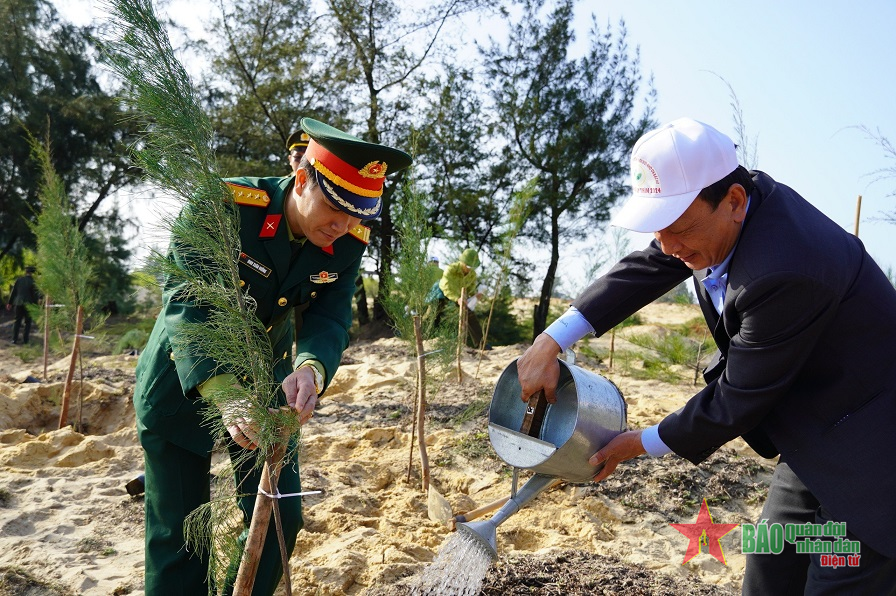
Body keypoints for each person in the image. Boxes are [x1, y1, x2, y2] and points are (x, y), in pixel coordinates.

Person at [516, 118, 896, 594]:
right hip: (813, 438)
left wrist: (641, 442)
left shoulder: (786, 267)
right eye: (658, 232)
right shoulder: (714, 218)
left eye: (678, 230)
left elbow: (737, 398)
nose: (669, 247)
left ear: (734, 202)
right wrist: (550, 341)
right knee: (769, 572)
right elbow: (648, 266)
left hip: (877, 458)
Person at [134, 117, 411, 595]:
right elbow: (188, 304)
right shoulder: (223, 207)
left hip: (267, 377)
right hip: (186, 376)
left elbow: (329, 318)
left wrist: (311, 368)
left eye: (357, 214)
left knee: (280, 514)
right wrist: (225, 395)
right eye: (334, 208)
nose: (342, 226)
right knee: (180, 537)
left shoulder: (346, 241)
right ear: (302, 178)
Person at [428, 248, 486, 348]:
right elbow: (446, 287)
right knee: (434, 315)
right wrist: (456, 299)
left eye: (472, 267)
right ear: (462, 262)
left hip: (460, 296)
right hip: (441, 292)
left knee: (469, 314)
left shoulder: (472, 274)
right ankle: (427, 339)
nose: (469, 269)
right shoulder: (451, 269)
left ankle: (481, 344)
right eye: (468, 266)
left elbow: (471, 289)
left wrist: (476, 296)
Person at [6, 266, 39, 344]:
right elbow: (35, 295)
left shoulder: (19, 280)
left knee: (17, 321)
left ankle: (14, 339)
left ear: (26, 272)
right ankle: (25, 340)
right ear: (33, 273)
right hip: (29, 304)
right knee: (27, 322)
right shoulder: (33, 282)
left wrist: (9, 303)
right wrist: (36, 306)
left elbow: (13, 292)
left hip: (18, 303)